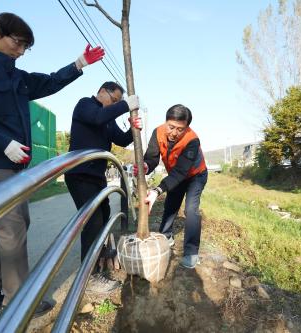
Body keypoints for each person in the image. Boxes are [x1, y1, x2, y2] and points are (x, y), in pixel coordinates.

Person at [0, 12, 104, 315]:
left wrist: (79, 64)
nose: (20, 51)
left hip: (13, 165)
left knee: (17, 225)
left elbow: (49, 82)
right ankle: (19, 300)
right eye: (18, 43)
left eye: (25, 47)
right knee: (13, 226)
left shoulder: (16, 75)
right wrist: (1, 142)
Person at [65, 81, 140, 292]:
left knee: (104, 215)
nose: (114, 104)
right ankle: (89, 278)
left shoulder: (108, 118)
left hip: (97, 177)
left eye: (118, 101)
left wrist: (133, 129)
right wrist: (125, 105)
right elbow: (97, 118)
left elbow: (122, 140)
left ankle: (98, 258)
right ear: (101, 92)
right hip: (80, 175)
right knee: (93, 222)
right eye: (114, 100)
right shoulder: (85, 105)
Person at [134, 104, 207, 269]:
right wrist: (146, 165)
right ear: (165, 121)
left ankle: (191, 252)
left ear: (187, 127)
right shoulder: (158, 132)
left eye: (180, 129)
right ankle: (166, 235)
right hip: (176, 176)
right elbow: (152, 157)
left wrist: (156, 190)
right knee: (171, 204)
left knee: (191, 209)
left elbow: (181, 172)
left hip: (195, 176)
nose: (174, 133)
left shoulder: (192, 140)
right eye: (171, 127)